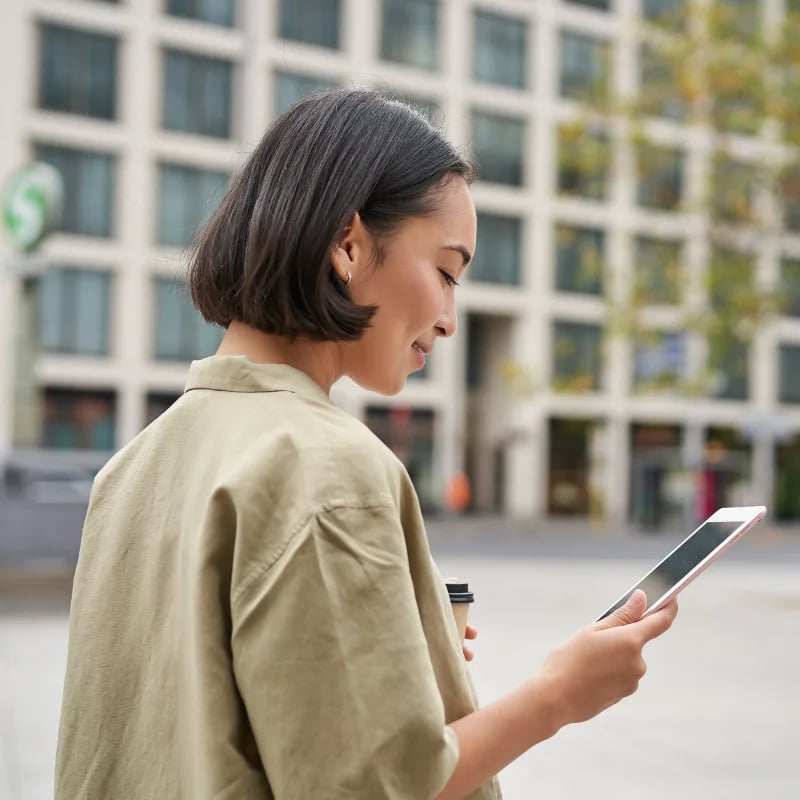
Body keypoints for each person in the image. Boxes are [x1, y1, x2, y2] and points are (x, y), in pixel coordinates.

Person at [54, 89, 678, 800]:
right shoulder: (325, 468)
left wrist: (392, 638)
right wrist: (557, 697)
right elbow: (374, 790)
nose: (448, 320)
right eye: (445, 271)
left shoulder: (132, 467)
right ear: (348, 244)